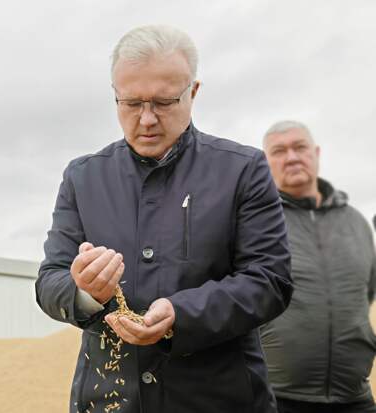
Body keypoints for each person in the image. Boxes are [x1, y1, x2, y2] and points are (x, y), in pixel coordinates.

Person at [35, 24, 293, 412]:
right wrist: (86, 292)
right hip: (110, 399)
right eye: (131, 103)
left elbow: (269, 280)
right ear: (115, 94)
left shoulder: (243, 170)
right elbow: (49, 281)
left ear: (193, 92)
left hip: (219, 400)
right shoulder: (82, 177)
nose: (147, 119)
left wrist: (181, 315)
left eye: (164, 102)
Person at [260, 120, 376, 413]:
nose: (292, 157)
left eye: (300, 147)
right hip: (276, 398)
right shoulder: (258, 223)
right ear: (265, 162)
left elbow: (367, 295)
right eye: (279, 151)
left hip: (355, 398)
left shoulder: (356, 222)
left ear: (317, 153)